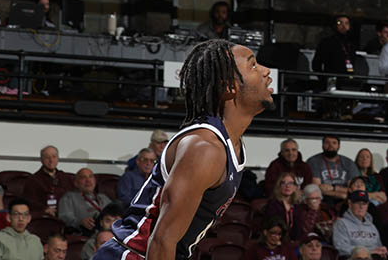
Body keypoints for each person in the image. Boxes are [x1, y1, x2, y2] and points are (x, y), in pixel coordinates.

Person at [93, 38, 274, 260]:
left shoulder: (229, 144)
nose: (266, 70)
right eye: (253, 65)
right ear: (229, 86)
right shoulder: (204, 148)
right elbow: (162, 240)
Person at [331, 191, 387, 259]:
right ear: (350, 204)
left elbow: (378, 247)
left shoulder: (372, 226)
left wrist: (382, 250)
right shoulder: (341, 223)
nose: (361, 206)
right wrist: (369, 252)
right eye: (358, 203)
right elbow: (341, 248)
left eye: (364, 203)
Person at [24, 146, 75, 218]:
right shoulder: (33, 180)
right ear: (41, 160)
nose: (51, 160)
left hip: (68, 215)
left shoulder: (66, 177)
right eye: (47, 157)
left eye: (54, 157)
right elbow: (30, 202)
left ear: (58, 159)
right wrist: (45, 210)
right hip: (47, 217)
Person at [58, 168, 112, 234]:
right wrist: (80, 222)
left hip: (108, 232)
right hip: (85, 232)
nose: (88, 180)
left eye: (90, 177)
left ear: (95, 181)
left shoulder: (103, 197)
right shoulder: (69, 197)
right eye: (83, 177)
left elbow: (115, 213)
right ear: (76, 183)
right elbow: (64, 217)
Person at [307, 136, 357, 203]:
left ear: (338, 146)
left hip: (345, 200)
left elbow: (354, 189)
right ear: (322, 145)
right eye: (327, 143)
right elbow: (316, 188)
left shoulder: (348, 163)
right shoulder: (314, 161)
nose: (331, 145)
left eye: (334, 143)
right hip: (322, 200)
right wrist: (340, 194)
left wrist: (333, 188)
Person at [314, 15, 359, 90]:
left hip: (347, 81)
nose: (343, 26)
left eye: (346, 23)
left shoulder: (351, 44)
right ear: (335, 25)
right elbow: (316, 64)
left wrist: (351, 76)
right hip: (331, 79)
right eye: (340, 23)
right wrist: (323, 79)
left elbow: (352, 63)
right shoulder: (326, 42)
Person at [265, 174, 303, 239]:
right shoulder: (272, 204)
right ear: (279, 186)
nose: (287, 186)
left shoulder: (297, 206)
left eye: (291, 183)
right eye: (283, 183)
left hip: (294, 242)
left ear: (295, 187)